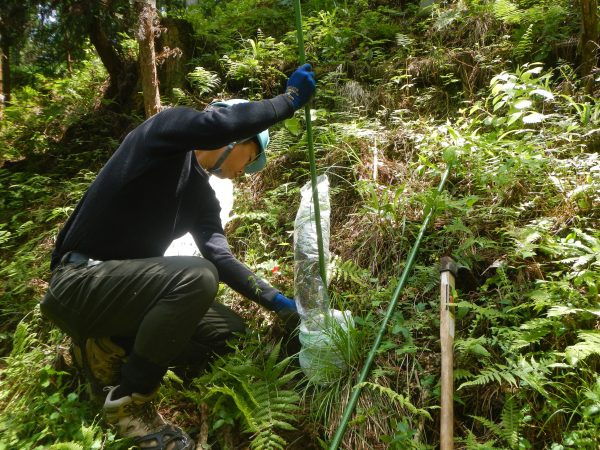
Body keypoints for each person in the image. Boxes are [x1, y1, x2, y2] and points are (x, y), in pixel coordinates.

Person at [40, 63, 316, 450]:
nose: (246, 172)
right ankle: (129, 402)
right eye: (250, 158)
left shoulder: (200, 196)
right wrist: (286, 102)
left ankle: (105, 350)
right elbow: (216, 124)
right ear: (236, 138)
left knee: (228, 334)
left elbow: (220, 256)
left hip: (124, 294)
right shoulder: (164, 134)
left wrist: (274, 300)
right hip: (79, 281)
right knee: (197, 277)